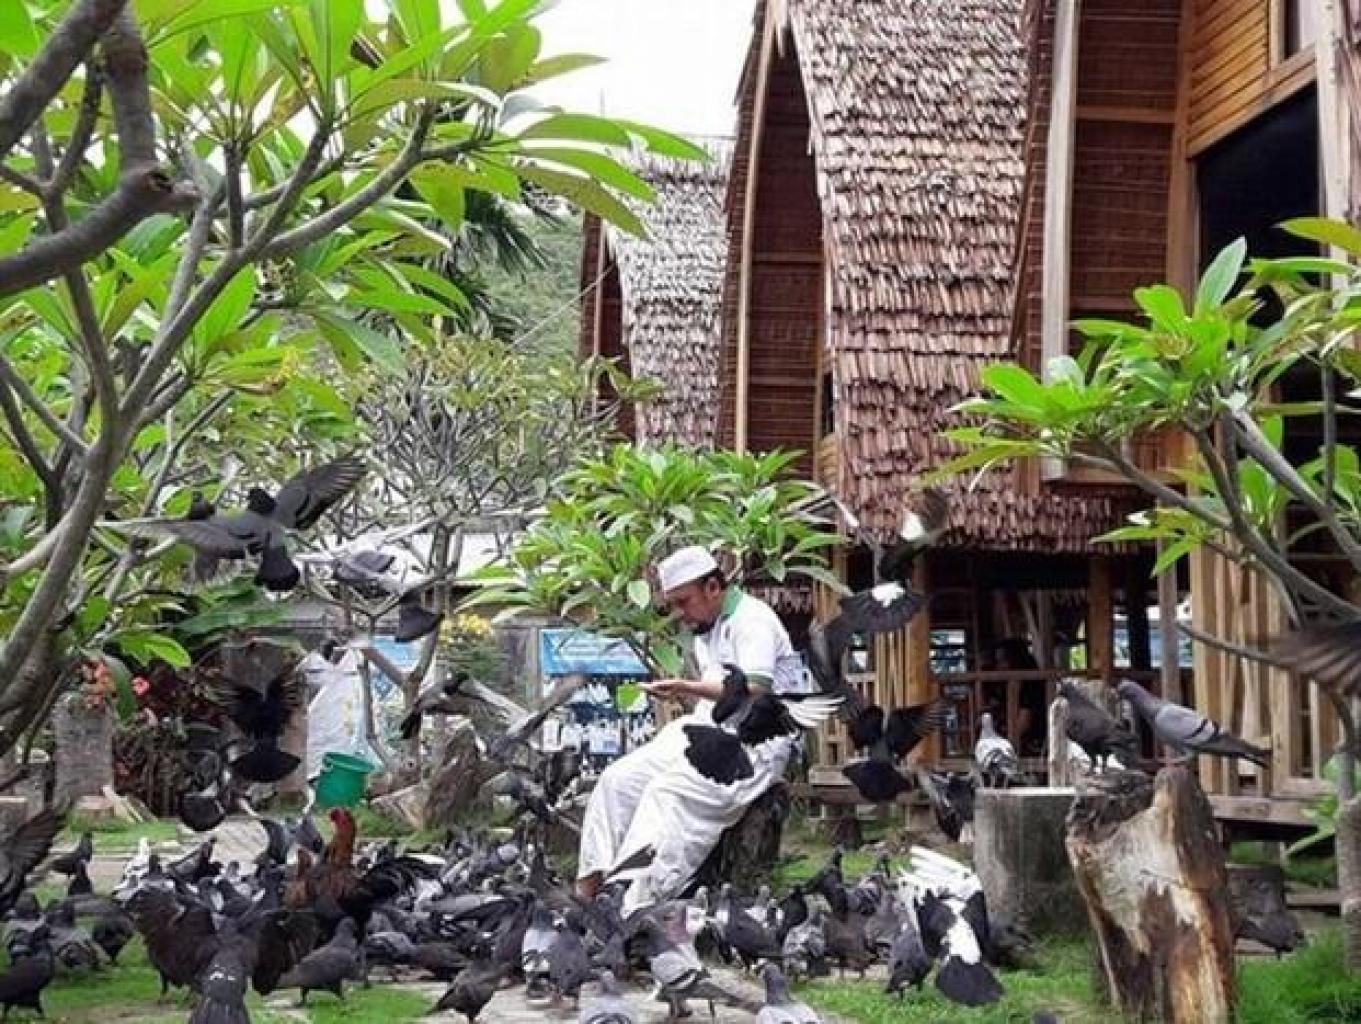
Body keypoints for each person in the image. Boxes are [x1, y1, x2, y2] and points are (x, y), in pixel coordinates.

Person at [575, 545, 805, 911]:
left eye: (684, 602)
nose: (679, 614)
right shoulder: (706, 629)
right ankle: (585, 897)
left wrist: (685, 687)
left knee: (666, 794)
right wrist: (690, 690)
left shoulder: (753, 620)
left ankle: (631, 906)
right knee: (618, 781)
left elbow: (756, 687)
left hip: (753, 745)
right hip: (705, 731)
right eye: (674, 605)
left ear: (713, 587)